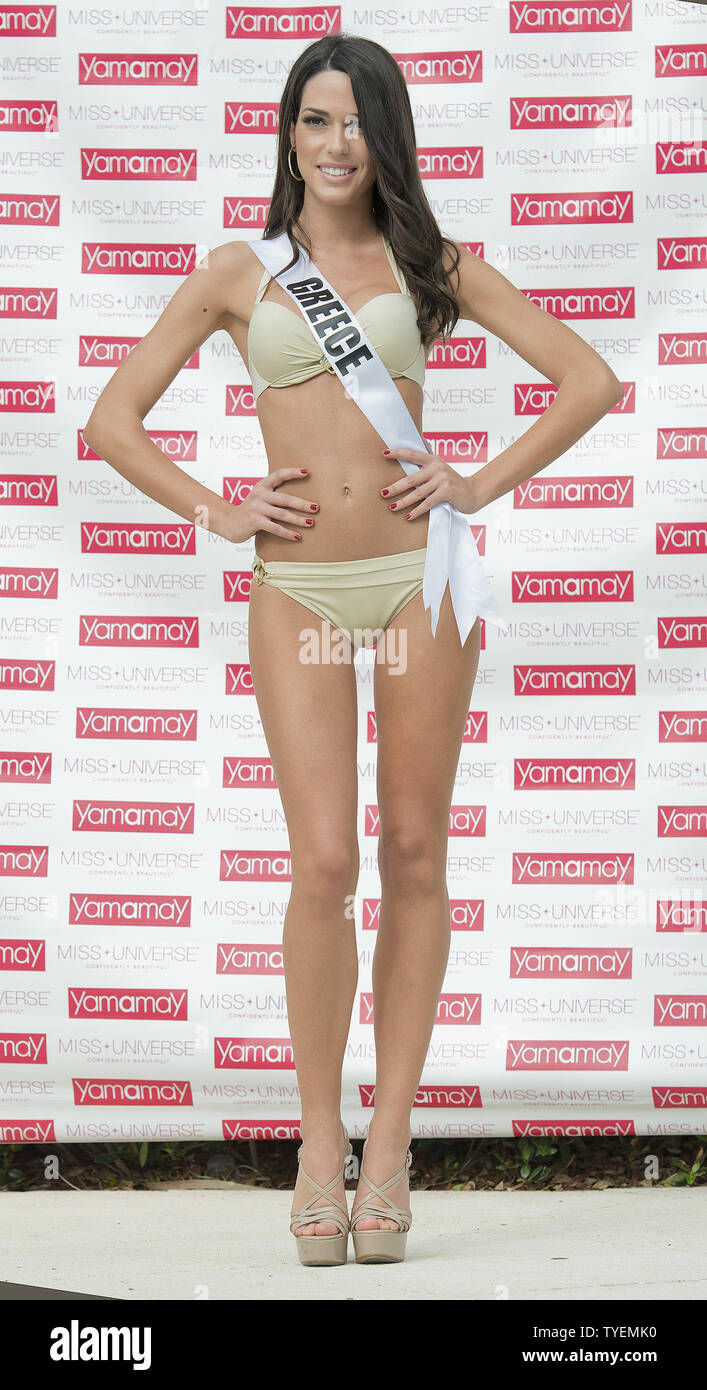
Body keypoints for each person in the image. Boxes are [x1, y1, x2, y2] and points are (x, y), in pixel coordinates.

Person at [82, 32, 624, 1267]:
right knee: (322, 860)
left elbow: (586, 378)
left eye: (357, 122)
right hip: (300, 592)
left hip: (419, 586)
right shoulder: (240, 271)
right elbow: (112, 418)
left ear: (387, 140)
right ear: (287, 133)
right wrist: (219, 510)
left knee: (413, 849)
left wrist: (473, 484)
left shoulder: (422, 259)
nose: (335, 145)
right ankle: (317, 1146)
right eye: (315, 120)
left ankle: (390, 1149)